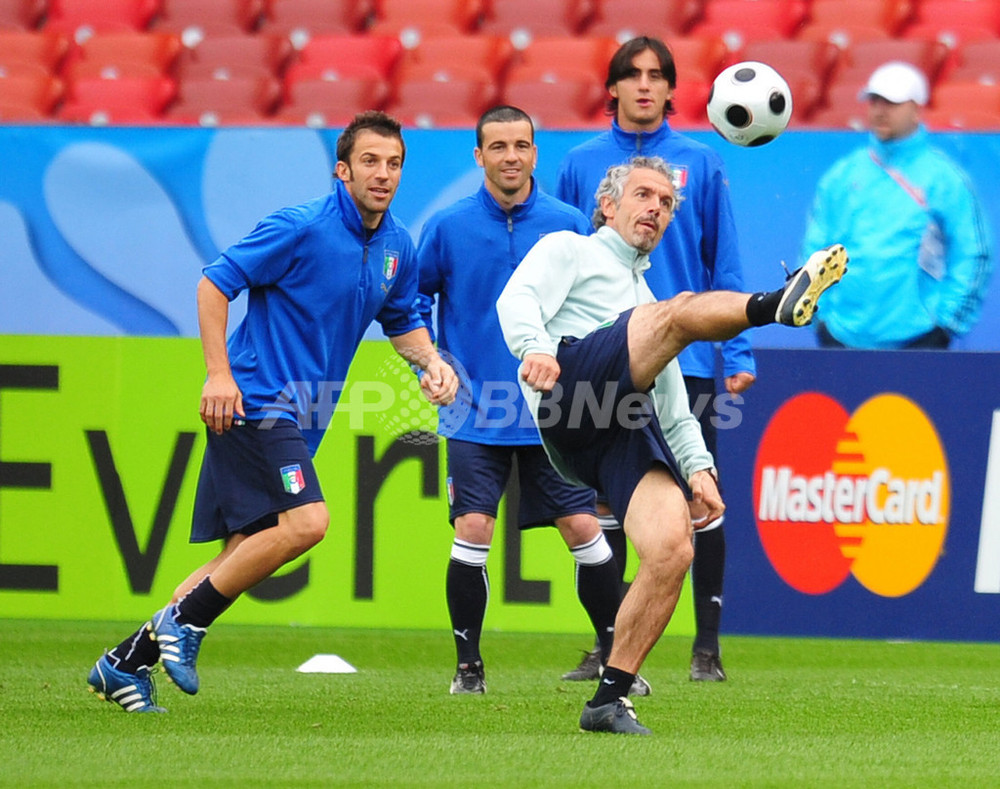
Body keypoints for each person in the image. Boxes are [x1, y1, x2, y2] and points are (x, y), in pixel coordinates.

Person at [86, 110, 458, 713]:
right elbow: (215, 283)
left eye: (393, 164)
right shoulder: (300, 225)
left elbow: (402, 320)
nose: (383, 174)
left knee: (240, 553)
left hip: (303, 417)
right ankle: (186, 624)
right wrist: (218, 374)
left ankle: (125, 663)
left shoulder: (397, 245)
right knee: (308, 523)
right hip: (257, 401)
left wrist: (430, 364)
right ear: (342, 169)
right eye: (369, 161)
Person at [496, 156, 846, 733]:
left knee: (672, 548)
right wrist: (534, 347)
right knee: (679, 312)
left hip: (614, 430)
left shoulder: (645, 296)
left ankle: (608, 699)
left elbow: (672, 402)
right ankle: (775, 303)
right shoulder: (572, 250)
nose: (655, 208)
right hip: (568, 386)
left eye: (665, 203)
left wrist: (699, 468)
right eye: (643, 195)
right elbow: (518, 299)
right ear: (608, 205)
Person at [416, 105, 640, 696]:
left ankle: (617, 658)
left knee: (583, 528)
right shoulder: (447, 226)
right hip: (473, 411)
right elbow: (411, 302)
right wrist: (431, 361)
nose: (511, 156)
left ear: (536, 153)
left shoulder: (570, 224)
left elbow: (602, 302)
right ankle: (468, 668)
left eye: (521, 145)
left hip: (554, 410)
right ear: (479, 156)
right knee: (472, 527)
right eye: (498, 146)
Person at [555, 35, 754, 682]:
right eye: (631, 75)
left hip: (688, 362)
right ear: (611, 88)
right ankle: (609, 639)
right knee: (613, 500)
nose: (644, 85)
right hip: (609, 353)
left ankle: (707, 645)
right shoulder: (581, 163)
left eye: (656, 76)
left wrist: (739, 346)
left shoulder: (701, 161)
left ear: (672, 89)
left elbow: (722, 259)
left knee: (702, 495)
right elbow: (563, 250)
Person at [802, 60, 992, 349]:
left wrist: (946, 325)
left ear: (916, 107)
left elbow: (973, 254)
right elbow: (816, 248)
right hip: (840, 338)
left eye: (891, 102)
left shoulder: (946, 179)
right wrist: (821, 317)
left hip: (919, 340)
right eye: (874, 101)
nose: (879, 110)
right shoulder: (842, 176)